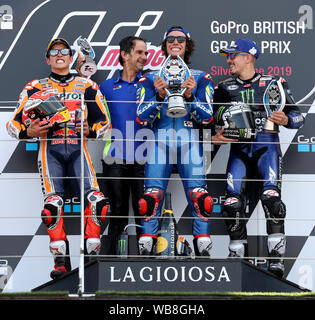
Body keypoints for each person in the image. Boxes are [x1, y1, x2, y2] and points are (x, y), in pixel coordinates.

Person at [6, 38, 111, 279]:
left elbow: (104, 123)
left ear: (71, 56)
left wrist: (92, 130)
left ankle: (91, 259)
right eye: (54, 52)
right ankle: (61, 263)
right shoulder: (34, 86)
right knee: (52, 207)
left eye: (64, 51)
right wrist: (27, 132)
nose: (59, 54)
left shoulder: (87, 85)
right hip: (49, 150)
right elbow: (12, 125)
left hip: (78, 150)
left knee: (98, 203)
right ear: (48, 59)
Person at [212, 38, 304, 277]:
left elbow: (298, 117)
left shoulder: (275, 83)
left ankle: (276, 261)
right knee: (231, 204)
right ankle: (237, 258)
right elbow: (212, 126)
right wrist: (216, 137)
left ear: (249, 57)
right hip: (239, 152)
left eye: (233, 55)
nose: (229, 60)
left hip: (267, 149)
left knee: (272, 200)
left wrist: (286, 120)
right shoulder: (223, 87)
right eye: (228, 56)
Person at [136, 26, 214, 256]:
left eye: (181, 39)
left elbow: (208, 117)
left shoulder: (200, 77)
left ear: (187, 44)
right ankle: (147, 247)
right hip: (159, 142)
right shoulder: (150, 77)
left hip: (189, 141)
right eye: (171, 39)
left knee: (201, 198)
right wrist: (159, 96)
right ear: (164, 44)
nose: (175, 42)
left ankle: (203, 247)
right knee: (151, 198)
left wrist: (190, 97)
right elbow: (141, 118)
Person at [98, 36, 148, 255]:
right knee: (116, 213)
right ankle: (106, 267)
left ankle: (147, 267)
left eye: (145, 53)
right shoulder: (107, 87)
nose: (144, 57)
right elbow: (89, 111)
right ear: (124, 55)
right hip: (114, 158)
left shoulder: (150, 83)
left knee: (144, 214)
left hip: (144, 160)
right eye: (139, 52)